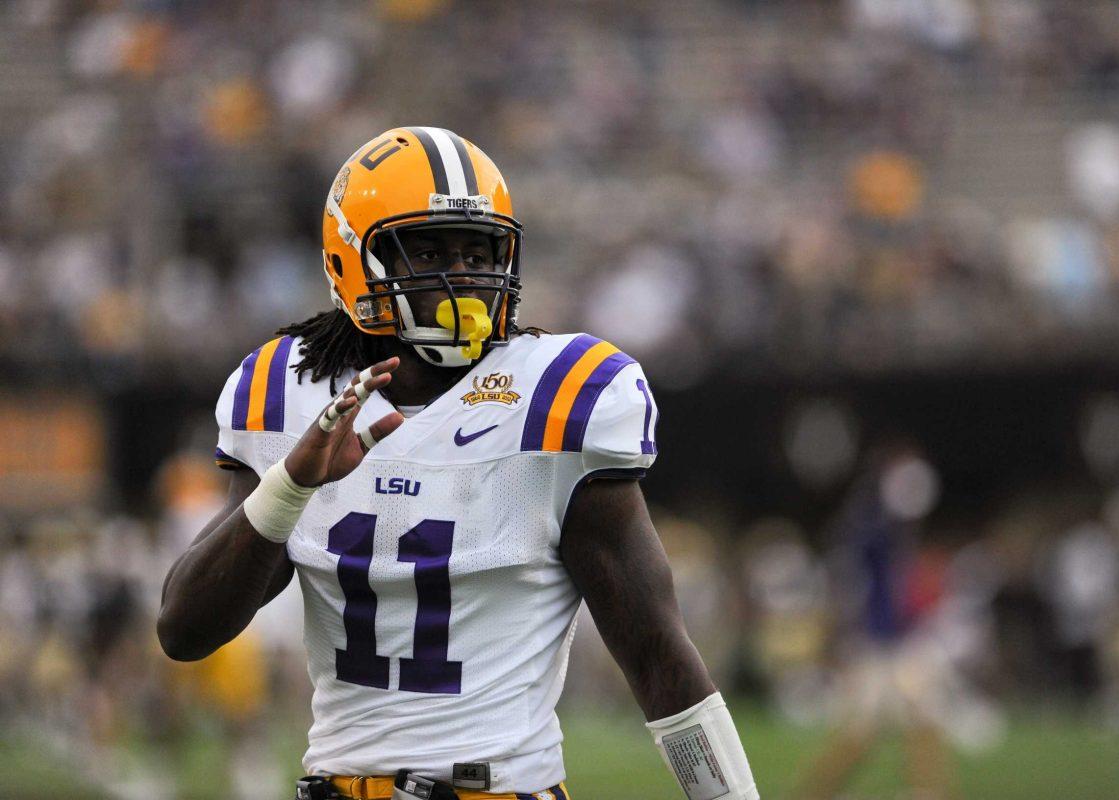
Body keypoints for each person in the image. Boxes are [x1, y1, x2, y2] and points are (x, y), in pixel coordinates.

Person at [158, 127, 758, 800]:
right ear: (354, 259)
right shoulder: (290, 393)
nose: (464, 273)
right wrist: (291, 484)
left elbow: (657, 655)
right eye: (431, 250)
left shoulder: (554, 398)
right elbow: (185, 630)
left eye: (479, 250)